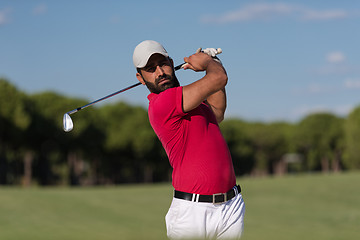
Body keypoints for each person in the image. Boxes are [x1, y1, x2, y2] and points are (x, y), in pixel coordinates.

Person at [133, 40, 245, 239]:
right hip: (192, 213)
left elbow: (218, 112)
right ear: (140, 78)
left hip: (230, 205)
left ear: (172, 62)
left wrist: (211, 62)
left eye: (163, 64)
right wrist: (208, 64)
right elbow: (219, 77)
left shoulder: (195, 103)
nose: (160, 72)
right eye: (150, 69)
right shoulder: (163, 103)